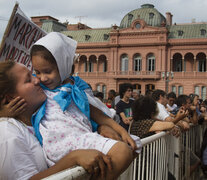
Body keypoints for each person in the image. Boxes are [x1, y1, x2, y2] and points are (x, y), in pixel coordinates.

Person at [30, 32, 140, 179]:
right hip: (67, 143)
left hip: (76, 141)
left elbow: (99, 116)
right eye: (37, 72)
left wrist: (123, 132)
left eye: (47, 71)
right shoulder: (39, 90)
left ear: (63, 66)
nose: (42, 78)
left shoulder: (73, 90)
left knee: (133, 144)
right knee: (123, 151)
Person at [0, 61, 114, 180]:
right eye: (28, 80)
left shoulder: (41, 118)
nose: (37, 80)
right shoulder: (7, 132)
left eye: (33, 74)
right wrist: (73, 158)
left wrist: (100, 127)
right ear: (11, 97)